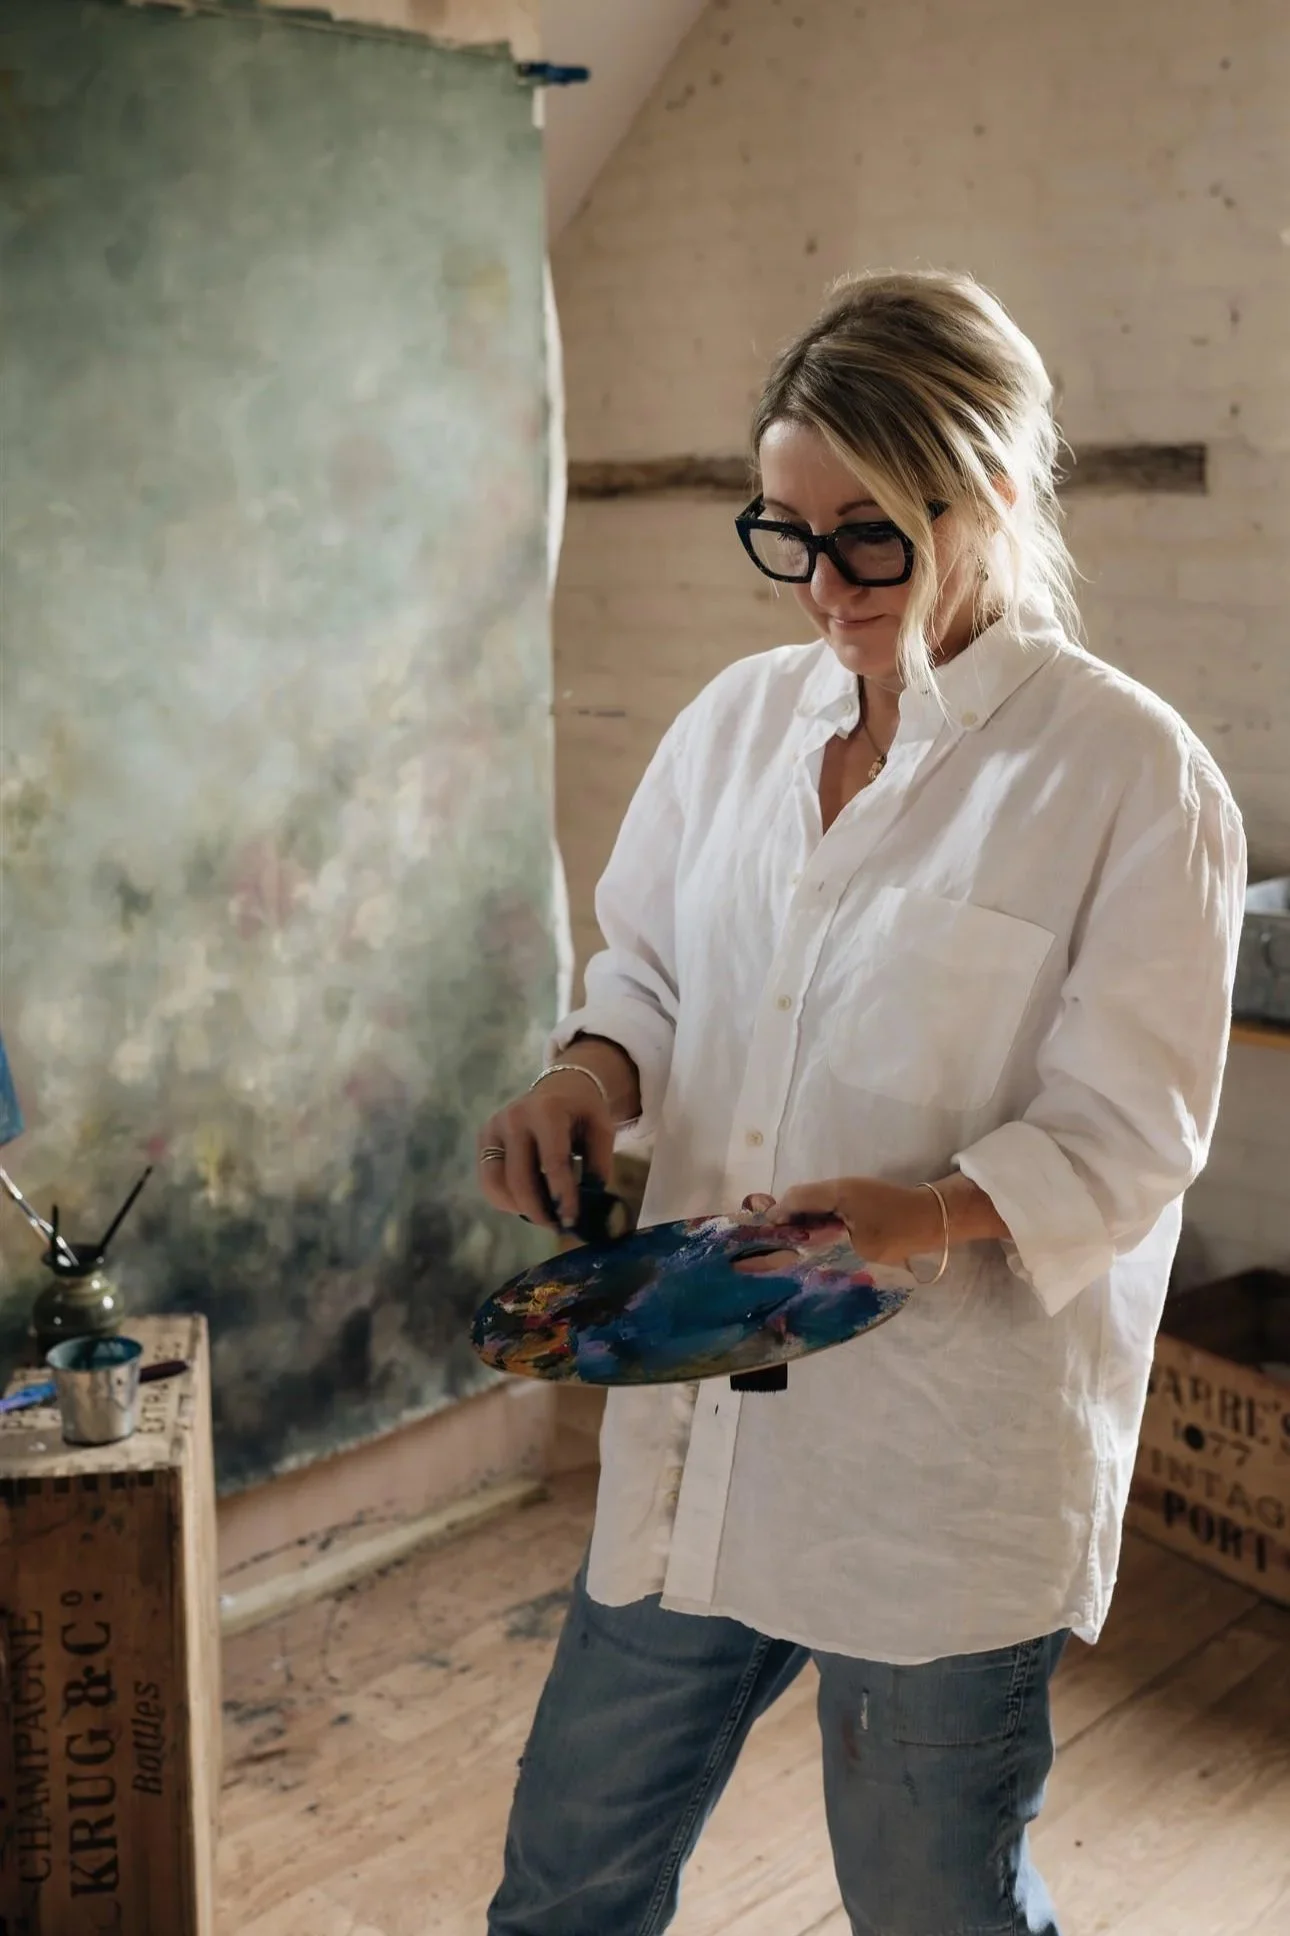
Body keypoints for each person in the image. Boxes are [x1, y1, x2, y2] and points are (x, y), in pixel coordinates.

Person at [476, 269, 1247, 1936]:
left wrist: (936, 1210)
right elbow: (654, 976)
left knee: (935, 1913)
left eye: (871, 535)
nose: (823, 585)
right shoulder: (737, 727)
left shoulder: (1127, 779)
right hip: (700, 1423)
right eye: (786, 532)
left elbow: (1129, 1131)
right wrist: (586, 1071)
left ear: (994, 495)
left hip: (933, 1475)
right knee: (562, 1888)